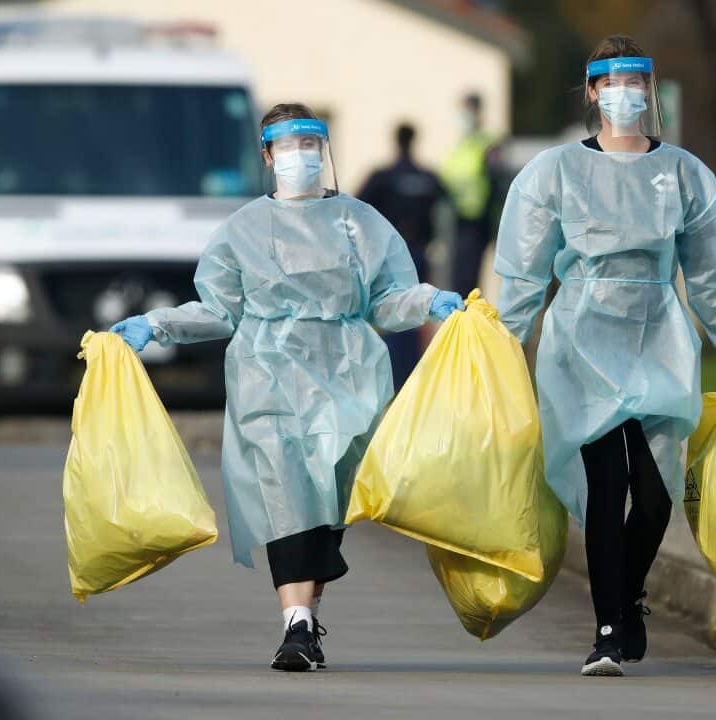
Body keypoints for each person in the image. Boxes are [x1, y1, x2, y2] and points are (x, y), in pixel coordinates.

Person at [111, 103, 464, 673]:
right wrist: (157, 324)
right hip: (266, 374)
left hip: (347, 374)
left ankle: (306, 619)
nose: (299, 156)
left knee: (327, 501)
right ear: (267, 154)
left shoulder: (360, 222)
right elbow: (220, 309)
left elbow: (386, 297)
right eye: (287, 145)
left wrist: (429, 301)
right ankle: (296, 625)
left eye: (309, 144)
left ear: (322, 150)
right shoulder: (242, 230)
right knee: (282, 490)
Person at [492, 35, 716, 677]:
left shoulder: (684, 174)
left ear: (652, 90)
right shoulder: (554, 171)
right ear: (592, 91)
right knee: (604, 485)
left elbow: (709, 269)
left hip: (658, 337)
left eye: (637, 82)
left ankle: (628, 596)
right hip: (581, 341)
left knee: (654, 494)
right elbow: (525, 266)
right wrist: (503, 339)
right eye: (613, 82)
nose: (626, 93)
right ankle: (609, 629)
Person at [357, 123, 447, 389]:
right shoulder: (428, 177)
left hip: (389, 258)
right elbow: (447, 211)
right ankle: (413, 382)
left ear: (396, 141)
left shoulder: (383, 177)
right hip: (419, 255)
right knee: (417, 318)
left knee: (391, 316)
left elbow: (357, 209)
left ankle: (394, 382)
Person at [441, 92, 504, 297]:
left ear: (478, 112)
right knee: (455, 278)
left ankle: (470, 323)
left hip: (478, 220)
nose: (464, 116)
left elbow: (496, 183)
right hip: (456, 219)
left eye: (468, 110)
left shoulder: (487, 143)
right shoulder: (460, 145)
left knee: (468, 281)